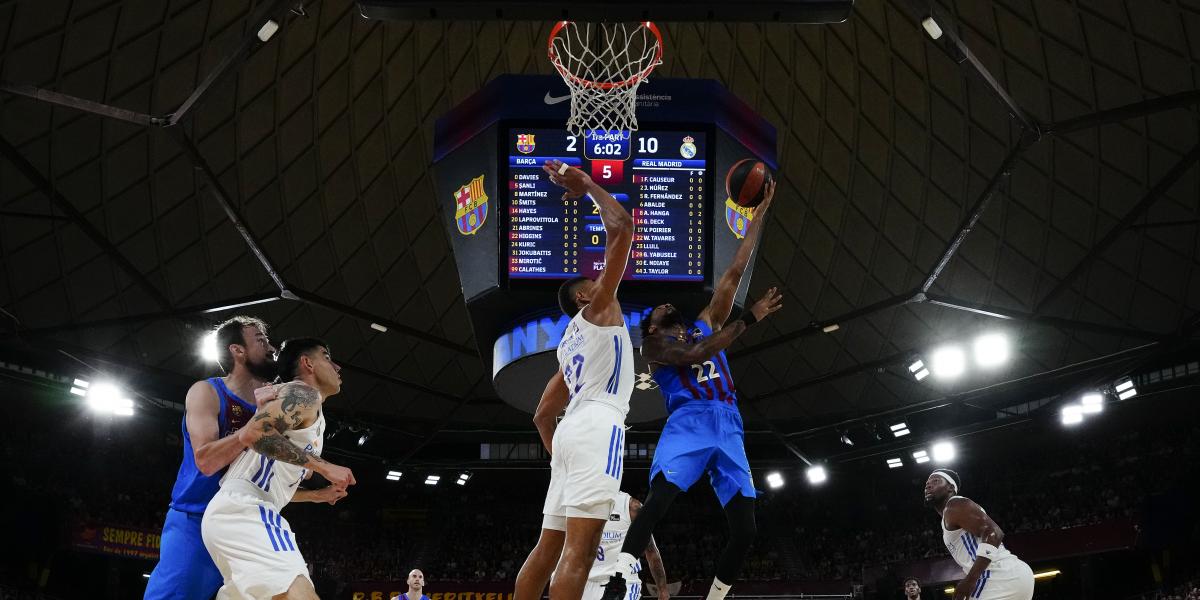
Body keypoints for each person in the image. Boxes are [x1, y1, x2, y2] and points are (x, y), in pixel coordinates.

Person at [602, 184, 782, 600]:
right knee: (658, 501)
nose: (667, 304)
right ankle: (624, 581)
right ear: (651, 327)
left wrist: (759, 214)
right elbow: (697, 353)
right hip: (689, 421)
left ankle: (716, 597)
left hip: (729, 420)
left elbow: (734, 272)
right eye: (660, 309)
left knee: (746, 528)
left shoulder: (706, 320)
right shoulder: (655, 348)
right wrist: (749, 320)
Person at [512, 158, 636, 600]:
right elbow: (622, 227)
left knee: (547, 549)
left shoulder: (568, 345)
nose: (604, 281)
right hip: (599, 423)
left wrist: (561, 457)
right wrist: (588, 185)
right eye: (595, 281)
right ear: (585, 295)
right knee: (579, 555)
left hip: (569, 434)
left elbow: (543, 415)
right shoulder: (599, 309)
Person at [201, 338, 356, 599]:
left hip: (235, 511)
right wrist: (325, 467)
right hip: (247, 508)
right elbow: (254, 434)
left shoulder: (313, 416)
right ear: (308, 363)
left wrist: (315, 496)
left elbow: (270, 482)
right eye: (327, 357)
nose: (337, 366)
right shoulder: (304, 394)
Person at [145, 316, 277, 600]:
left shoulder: (273, 406)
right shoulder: (207, 392)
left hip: (244, 527)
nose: (271, 348)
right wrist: (256, 424)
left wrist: (315, 488)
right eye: (261, 341)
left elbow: (265, 479)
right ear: (237, 350)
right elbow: (206, 461)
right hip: (196, 520)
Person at [923, 469, 1034, 600]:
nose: (928, 485)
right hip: (1010, 575)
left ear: (951, 488)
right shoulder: (952, 513)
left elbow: (995, 533)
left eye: (935, 481)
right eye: (927, 484)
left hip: (998, 576)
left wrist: (970, 580)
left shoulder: (954, 505)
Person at [580, 491, 669, 600]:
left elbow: (651, 551)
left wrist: (662, 590)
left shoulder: (630, 507)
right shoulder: (577, 502)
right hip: (586, 582)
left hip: (624, 582)